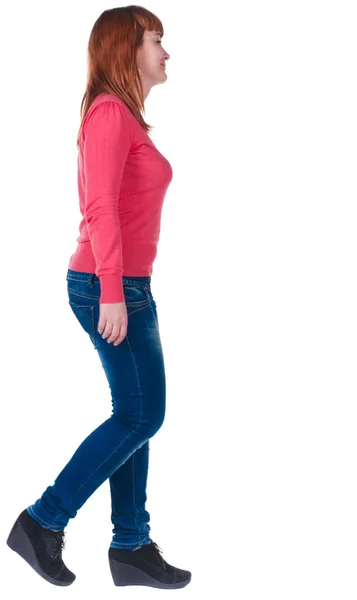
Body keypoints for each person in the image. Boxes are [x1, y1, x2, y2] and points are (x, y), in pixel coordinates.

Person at [6, 5, 191, 590]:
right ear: (126, 48)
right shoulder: (110, 114)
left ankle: (131, 545)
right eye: (157, 41)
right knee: (142, 414)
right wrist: (112, 289)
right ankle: (43, 521)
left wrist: (123, 285)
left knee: (135, 417)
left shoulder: (125, 119)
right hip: (107, 286)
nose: (167, 52)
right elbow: (100, 210)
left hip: (127, 285)